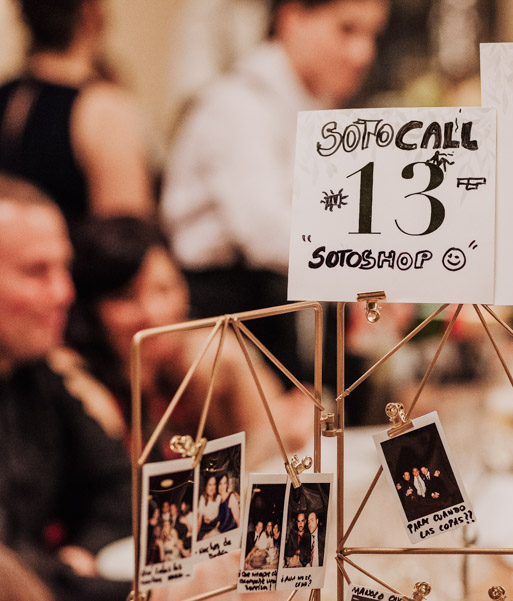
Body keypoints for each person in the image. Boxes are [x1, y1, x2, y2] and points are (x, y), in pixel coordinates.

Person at [161, 0, 390, 383]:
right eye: (347, 29)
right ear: (292, 19)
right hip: (218, 316)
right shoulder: (238, 104)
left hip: (275, 303)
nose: (363, 53)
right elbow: (266, 232)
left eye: (372, 35)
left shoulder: (314, 105)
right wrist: (379, 268)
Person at [65, 216, 314, 468]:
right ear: (89, 310)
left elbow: (278, 440)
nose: (154, 313)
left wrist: (238, 368)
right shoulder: (80, 390)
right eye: (125, 297)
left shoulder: (203, 361)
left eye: (164, 289)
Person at [0, 174, 132, 601]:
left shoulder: (34, 374)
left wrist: (84, 551)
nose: (64, 292)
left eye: (64, 268)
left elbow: (118, 483)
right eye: (37, 271)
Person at [0, 0, 153, 225]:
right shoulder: (103, 110)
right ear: (91, 13)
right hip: (72, 258)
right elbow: (126, 241)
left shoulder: (6, 95)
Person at [197, 475, 220, 540]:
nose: (212, 488)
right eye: (210, 485)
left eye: (214, 484)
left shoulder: (218, 498)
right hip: (205, 529)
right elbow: (199, 520)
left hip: (215, 528)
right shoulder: (203, 499)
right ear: (206, 486)